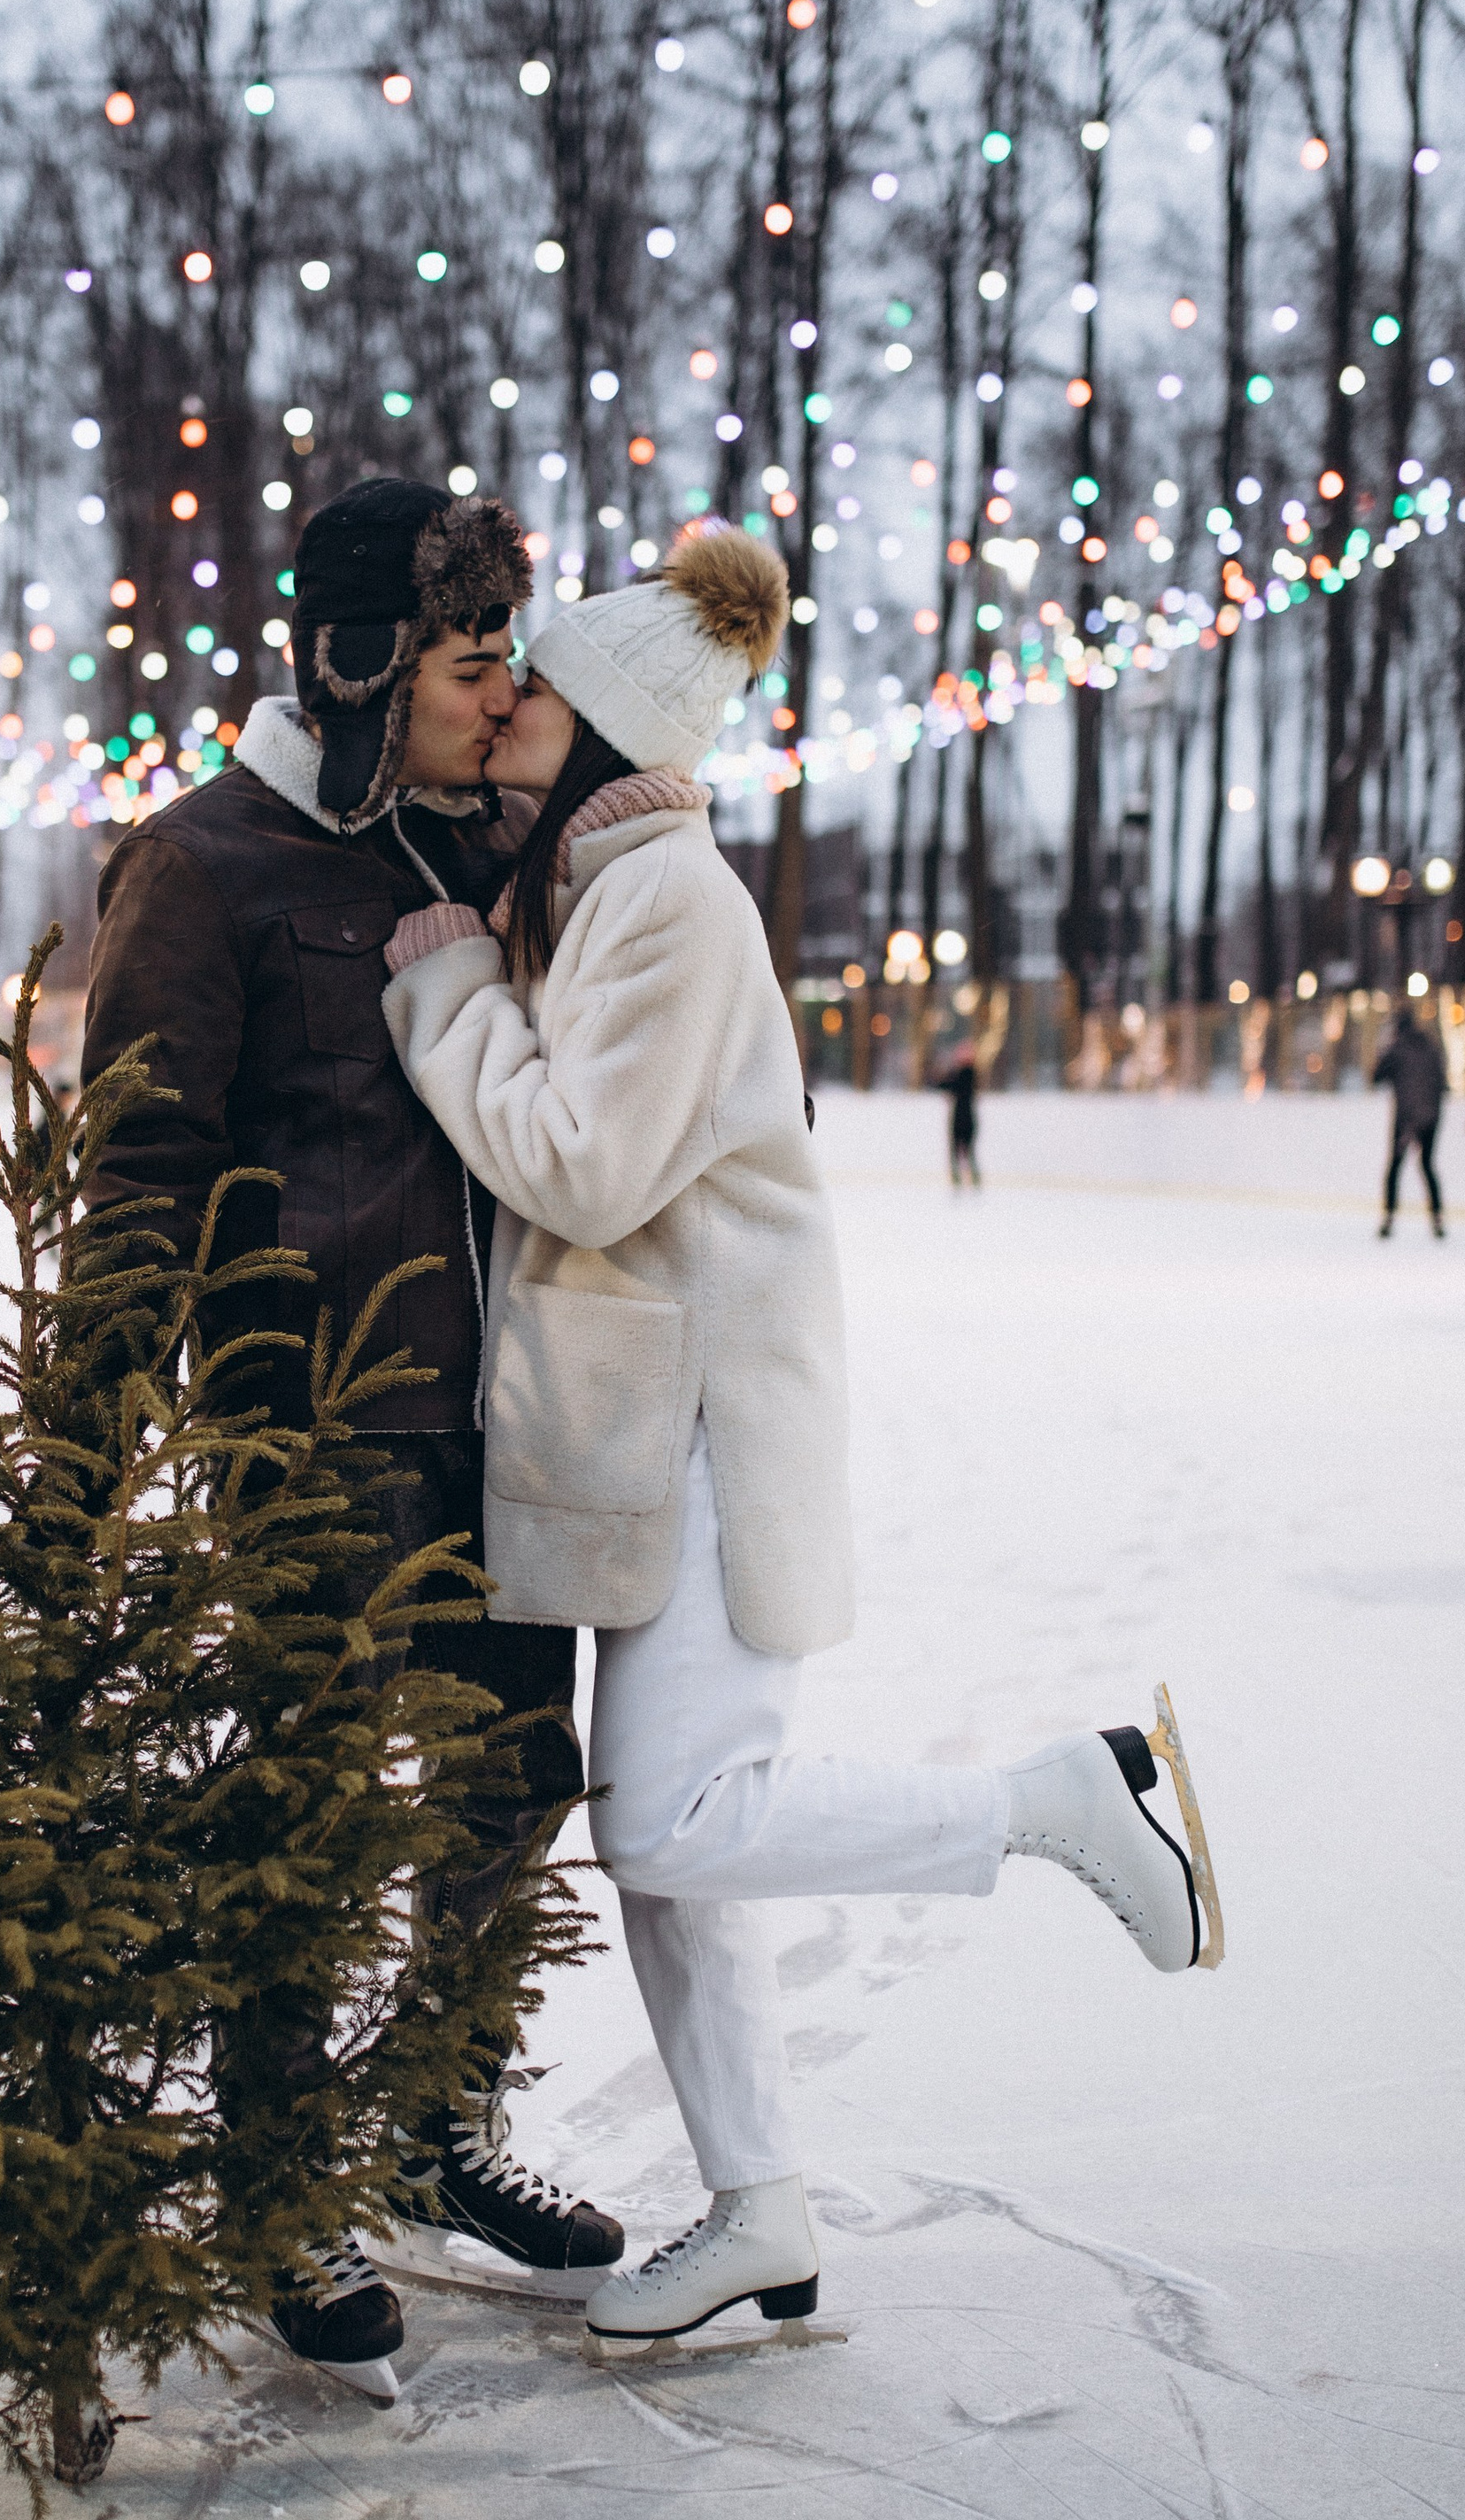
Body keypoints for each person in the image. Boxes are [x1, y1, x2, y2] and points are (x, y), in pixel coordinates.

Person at [381, 528, 1225, 2347]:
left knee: (675, 1820)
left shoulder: (669, 903)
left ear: (600, 729)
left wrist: (446, 1000)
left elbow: (583, 1164)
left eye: (535, 684)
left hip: (702, 1431)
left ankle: (1055, 1803)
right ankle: (758, 2204)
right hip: (641, 1423)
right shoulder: (597, 888)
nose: (505, 697)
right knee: (671, 1847)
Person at [77, 475, 623, 2393]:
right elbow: (137, 1173)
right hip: (308, 1431)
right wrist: (85, 1452)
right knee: (300, 1818)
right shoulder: (203, 867)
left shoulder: (453, 859)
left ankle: (426, 2114)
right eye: (478, 661)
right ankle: (273, 2174)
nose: (506, 696)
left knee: (510, 1784)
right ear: (369, 660)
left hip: (495, 1426)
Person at [1372, 1004, 1446, 1239]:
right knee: (1426, 1164)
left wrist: (1380, 1054)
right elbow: (1443, 1083)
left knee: (1395, 1166)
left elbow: (1376, 1077)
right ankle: (1437, 1218)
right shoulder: (1431, 1047)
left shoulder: (1396, 1049)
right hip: (1431, 1116)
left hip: (1406, 1117)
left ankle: (1389, 1218)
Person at [938, 1042, 981, 1187]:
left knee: (961, 1150)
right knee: (965, 1151)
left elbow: (951, 1086)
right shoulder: (967, 1074)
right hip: (965, 1116)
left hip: (962, 1117)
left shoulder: (966, 1074)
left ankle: (963, 1177)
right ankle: (967, 1177)